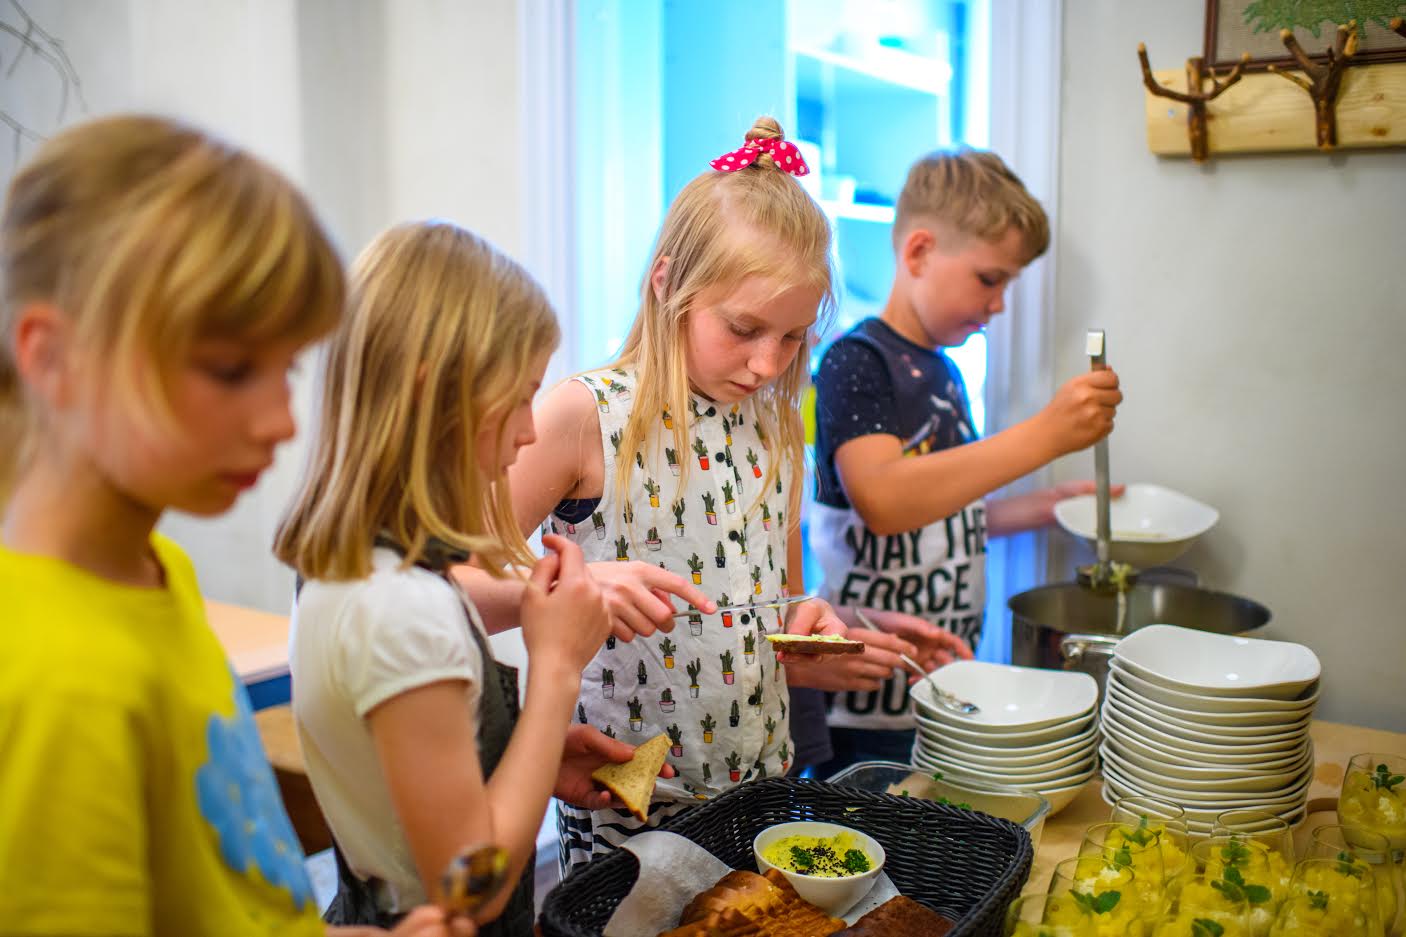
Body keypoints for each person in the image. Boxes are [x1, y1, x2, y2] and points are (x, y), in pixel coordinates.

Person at [0, 114, 468, 935]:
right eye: (230, 369)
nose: (283, 422)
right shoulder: (53, 683)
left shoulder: (158, 569)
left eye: (286, 369)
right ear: (52, 356)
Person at [507, 116, 963, 876]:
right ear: (667, 284)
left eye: (792, 337)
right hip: (632, 800)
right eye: (745, 328)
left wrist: (820, 635)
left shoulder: (781, 424)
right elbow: (457, 570)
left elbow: (781, 605)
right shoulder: (584, 416)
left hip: (763, 790)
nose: (766, 362)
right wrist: (572, 585)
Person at [276, 221, 660, 934]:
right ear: (438, 396)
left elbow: (407, 781)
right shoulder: (401, 611)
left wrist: (527, 757)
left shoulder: (348, 562)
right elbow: (469, 882)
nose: (526, 431)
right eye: (518, 396)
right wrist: (555, 673)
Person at [799, 147, 1123, 776]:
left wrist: (1052, 507)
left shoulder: (944, 373)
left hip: (937, 688)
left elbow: (948, 511)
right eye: (990, 278)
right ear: (919, 252)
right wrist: (1046, 436)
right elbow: (887, 502)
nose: (999, 303)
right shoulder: (855, 362)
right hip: (864, 702)